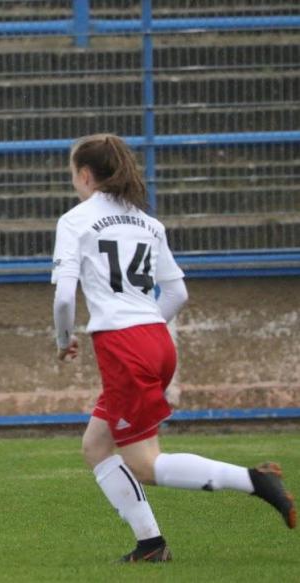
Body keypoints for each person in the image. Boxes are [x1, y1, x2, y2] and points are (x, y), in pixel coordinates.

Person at [53, 133, 296, 563]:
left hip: (124, 346)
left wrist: (63, 339)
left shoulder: (75, 220)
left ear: (86, 174)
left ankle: (255, 480)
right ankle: (151, 544)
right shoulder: (149, 223)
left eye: (74, 173)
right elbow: (177, 293)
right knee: (96, 446)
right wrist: (146, 327)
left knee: (145, 463)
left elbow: (64, 298)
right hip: (156, 338)